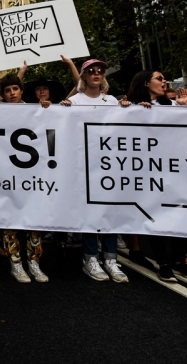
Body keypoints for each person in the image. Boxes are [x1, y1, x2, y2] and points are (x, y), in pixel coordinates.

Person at [61, 59, 131, 283]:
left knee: (110, 211)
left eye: (100, 70)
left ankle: (110, 259)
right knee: (90, 212)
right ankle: (90, 257)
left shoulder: (111, 100)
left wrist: (134, 111)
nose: (96, 73)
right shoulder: (74, 100)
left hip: (109, 164)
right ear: (83, 76)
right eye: (91, 71)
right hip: (84, 165)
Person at [127, 70, 187, 282]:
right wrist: (132, 111)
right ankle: (163, 263)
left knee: (179, 215)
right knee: (154, 216)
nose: (164, 81)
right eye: (159, 78)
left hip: (173, 171)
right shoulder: (131, 106)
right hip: (147, 171)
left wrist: (186, 108)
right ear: (145, 83)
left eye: (163, 78)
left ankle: (179, 259)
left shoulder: (170, 106)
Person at [0, 74, 50, 283]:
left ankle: (34, 263)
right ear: (3, 94)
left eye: (15, 89)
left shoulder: (37, 110)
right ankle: (16, 264)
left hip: (32, 176)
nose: (12, 94)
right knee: (10, 221)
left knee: (34, 220)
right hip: (7, 175)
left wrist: (49, 108)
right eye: (7, 91)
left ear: (21, 90)